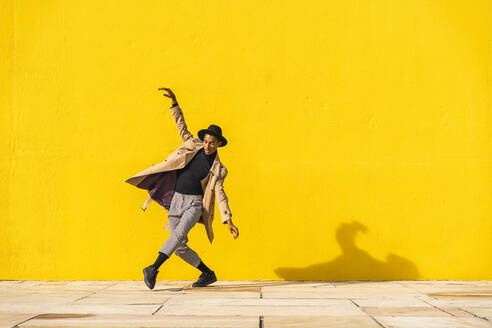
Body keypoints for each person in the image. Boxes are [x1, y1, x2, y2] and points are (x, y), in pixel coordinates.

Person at [125, 88, 239, 290]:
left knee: (177, 236)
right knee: (178, 246)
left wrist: (228, 220)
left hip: (194, 204)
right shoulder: (193, 145)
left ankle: (153, 269)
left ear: (219, 144)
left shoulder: (219, 169)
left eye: (212, 143)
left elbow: (220, 194)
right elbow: (182, 127)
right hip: (176, 200)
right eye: (205, 141)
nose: (207, 146)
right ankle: (207, 273)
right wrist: (174, 104)